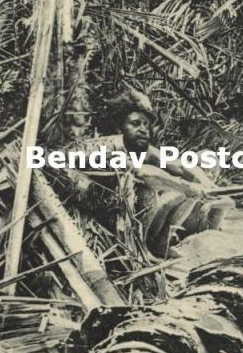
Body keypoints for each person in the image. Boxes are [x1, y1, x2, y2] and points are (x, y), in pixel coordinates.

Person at [77, 88, 233, 258]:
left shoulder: (138, 146)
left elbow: (177, 166)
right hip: (92, 201)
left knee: (160, 192)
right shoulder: (109, 147)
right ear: (118, 126)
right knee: (148, 193)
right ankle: (137, 250)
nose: (144, 129)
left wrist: (205, 184)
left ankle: (146, 246)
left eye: (146, 124)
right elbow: (143, 173)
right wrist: (185, 186)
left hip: (116, 199)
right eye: (136, 124)